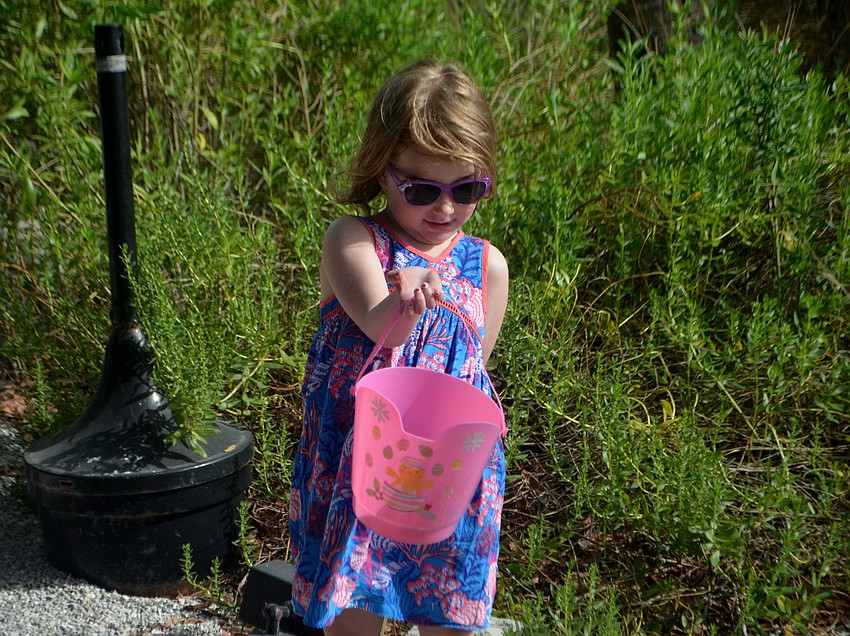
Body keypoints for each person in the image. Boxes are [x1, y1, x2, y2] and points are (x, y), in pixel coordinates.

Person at [289, 59, 510, 636]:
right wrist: (404, 301)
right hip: (365, 465)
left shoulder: (486, 266)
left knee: (448, 610)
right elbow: (378, 329)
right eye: (420, 189)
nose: (443, 208)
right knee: (355, 607)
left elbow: (469, 374)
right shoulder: (355, 241)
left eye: (466, 190)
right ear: (381, 171)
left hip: (448, 469)